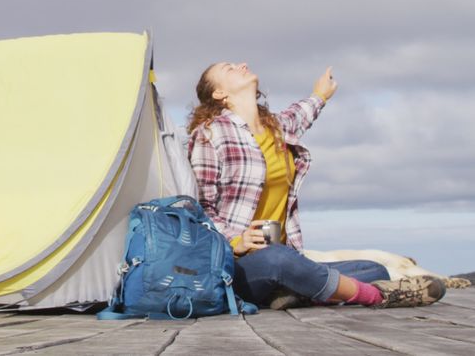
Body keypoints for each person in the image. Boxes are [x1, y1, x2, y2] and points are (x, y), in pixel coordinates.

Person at [187, 61, 445, 309]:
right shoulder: (209, 134)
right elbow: (201, 207)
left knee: (375, 268)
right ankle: (376, 297)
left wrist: (320, 94)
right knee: (278, 259)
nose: (242, 64)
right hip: (236, 268)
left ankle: (296, 292)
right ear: (220, 93)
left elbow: (300, 114)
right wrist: (237, 241)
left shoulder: (275, 128)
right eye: (229, 68)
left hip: (285, 256)